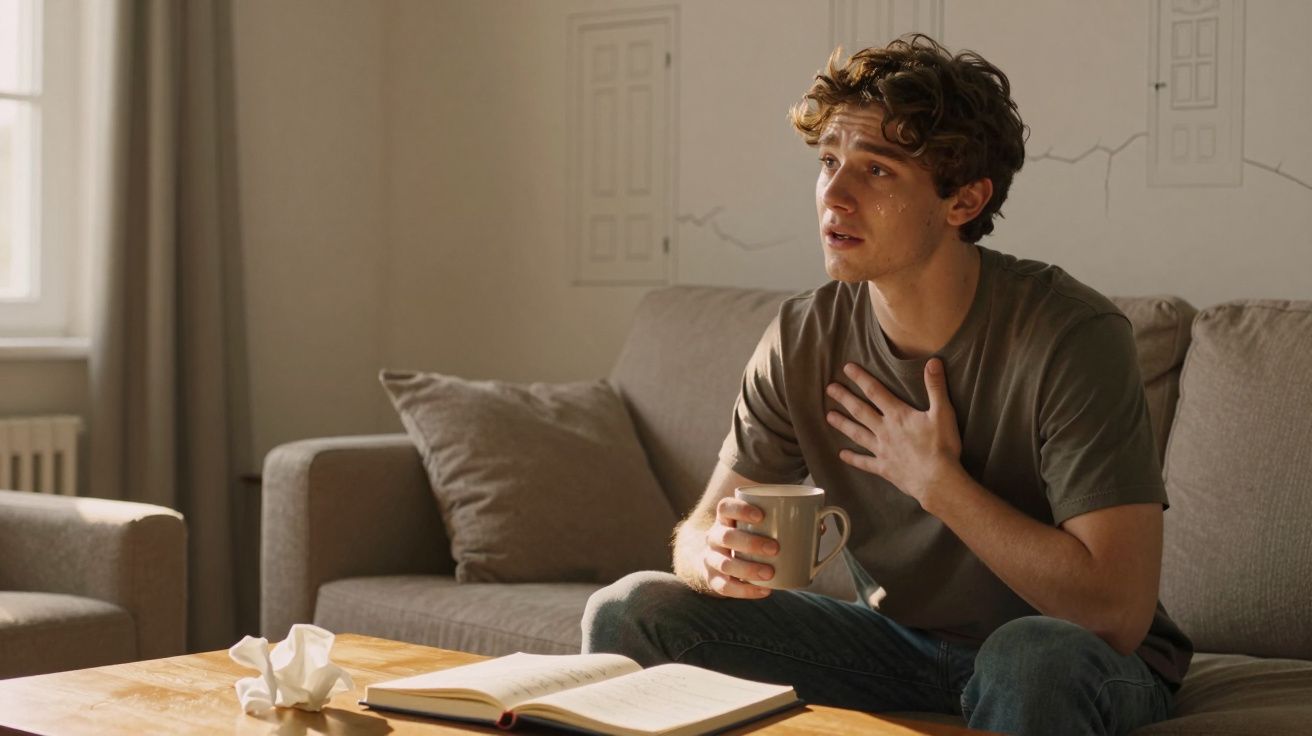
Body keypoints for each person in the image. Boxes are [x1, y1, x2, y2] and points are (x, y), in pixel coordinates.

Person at [581, 34, 1193, 735]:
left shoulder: (1071, 336)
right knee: (633, 611)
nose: (834, 195)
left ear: (964, 200)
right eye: (828, 162)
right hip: (899, 647)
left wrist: (939, 484)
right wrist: (711, 556)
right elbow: (697, 529)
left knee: (1028, 657)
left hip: (1075, 656)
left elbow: (1116, 612)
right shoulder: (801, 338)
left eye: (876, 170)